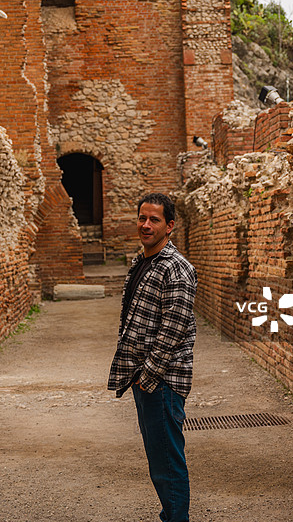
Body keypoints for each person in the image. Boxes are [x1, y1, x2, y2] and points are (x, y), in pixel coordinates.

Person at [108, 192, 197, 522]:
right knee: (159, 459)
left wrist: (147, 377)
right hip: (146, 379)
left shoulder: (177, 269)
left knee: (167, 463)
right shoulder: (143, 262)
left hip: (162, 380)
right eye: (142, 218)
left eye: (154, 220)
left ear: (169, 225)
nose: (145, 225)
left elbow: (173, 329)